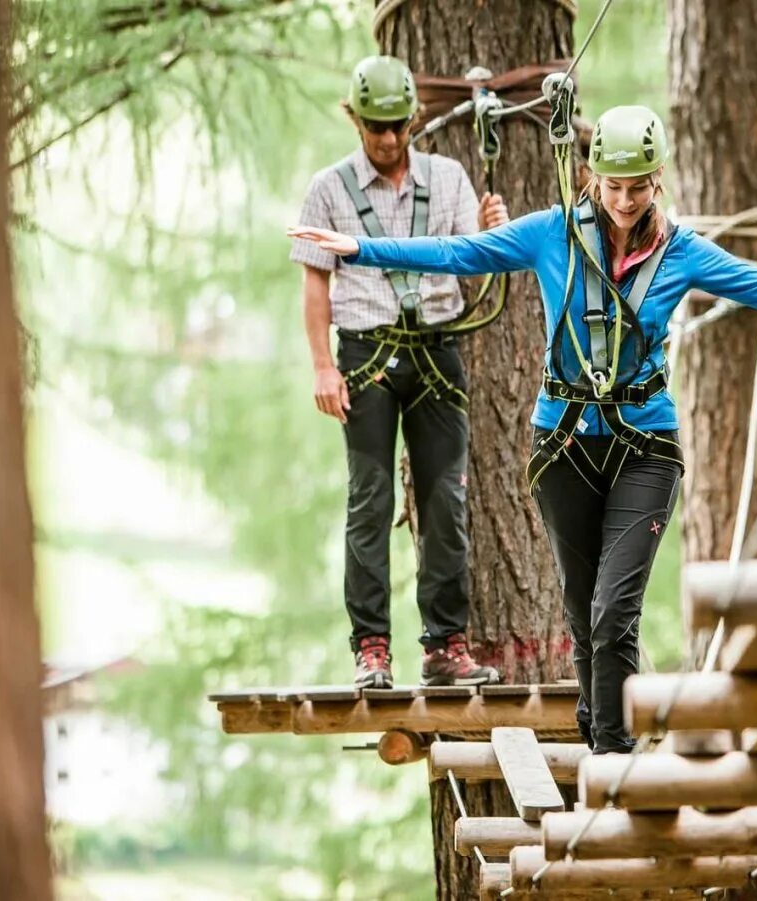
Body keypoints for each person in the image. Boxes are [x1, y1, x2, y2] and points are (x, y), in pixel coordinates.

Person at [289, 104, 757, 748]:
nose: (623, 199)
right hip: (564, 444)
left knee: (615, 610)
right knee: (584, 610)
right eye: (612, 185)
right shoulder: (551, 235)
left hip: (645, 446)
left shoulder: (682, 251)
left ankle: (614, 757)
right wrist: (363, 249)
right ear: (591, 175)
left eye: (637, 186)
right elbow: (461, 252)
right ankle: (601, 731)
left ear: (658, 179)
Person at [289, 55, 510, 689]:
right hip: (366, 358)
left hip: (437, 353)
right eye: (374, 127)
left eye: (396, 126)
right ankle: (372, 650)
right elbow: (315, 283)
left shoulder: (448, 179)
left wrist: (490, 232)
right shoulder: (329, 189)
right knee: (370, 500)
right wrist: (322, 366)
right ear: (355, 121)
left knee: (447, 499)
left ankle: (445, 646)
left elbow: (474, 263)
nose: (387, 140)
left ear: (413, 119)